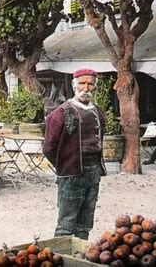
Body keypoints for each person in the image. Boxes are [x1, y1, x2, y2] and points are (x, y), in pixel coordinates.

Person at [43, 68, 106, 240]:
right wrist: (65, 164)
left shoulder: (98, 112)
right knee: (66, 224)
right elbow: (49, 148)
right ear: (74, 85)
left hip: (93, 172)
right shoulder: (60, 113)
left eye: (90, 84)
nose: (86, 88)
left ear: (95, 87)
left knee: (85, 223)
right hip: (71, 174)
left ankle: (80, 258)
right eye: (82, 83)